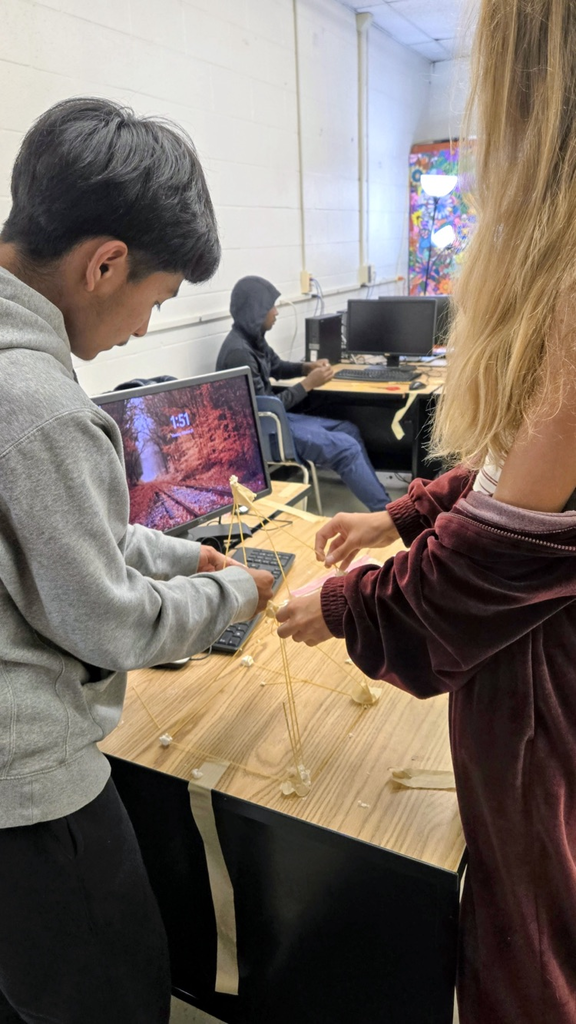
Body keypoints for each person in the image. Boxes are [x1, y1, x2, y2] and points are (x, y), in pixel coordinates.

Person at [276, 2, 576, 1021]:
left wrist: (345, 604)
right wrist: (395, 520)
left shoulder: (571, 294)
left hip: (548, 745)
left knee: (536, 962)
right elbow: (507, 471)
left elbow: (478, 567)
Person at [0, 98, 275, 1024]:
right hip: (28, 799)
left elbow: (57, 539)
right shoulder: (39, 406)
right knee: (114, 987)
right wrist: (232, 592)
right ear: (104, 263)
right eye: (155, 300)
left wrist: (175, 553)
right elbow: (106, 620)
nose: (142, 328)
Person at [216, 275, 390, 510]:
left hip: (276, 423)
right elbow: (265, 407)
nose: (276, 312)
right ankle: (384, 512)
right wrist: (308, 383)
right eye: (271, 307)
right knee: (346, 448)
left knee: (349, 430)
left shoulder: (252, 340)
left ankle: (382, 501)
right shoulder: (239, 353)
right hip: (262, 434)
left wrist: (306, 367)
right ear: (256, 312)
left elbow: (276, 366)